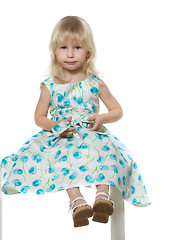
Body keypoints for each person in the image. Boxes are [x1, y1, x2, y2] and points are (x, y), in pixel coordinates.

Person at [0, 16, 150, 228]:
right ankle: (77, 201)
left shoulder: (94, 82)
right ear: (55, 51)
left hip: (92, 133)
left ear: (88, 51)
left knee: (105, 153)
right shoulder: (49, 85)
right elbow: (39, 118)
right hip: (64, 134)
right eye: (63, 47)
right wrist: (56, 126)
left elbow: (117, 110)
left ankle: (102, 196)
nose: (70, 54)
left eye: (77, 47)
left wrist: (103, 117)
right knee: (61, 158)